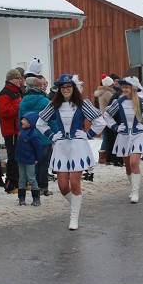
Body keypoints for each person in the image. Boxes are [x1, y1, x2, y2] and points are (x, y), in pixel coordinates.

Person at [35, 74, 106, 230]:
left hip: (78, 146)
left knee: (75, 181)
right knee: (62, 186)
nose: (66, 90)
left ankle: (74, 217)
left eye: (68, 87)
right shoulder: (54, 105)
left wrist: (88, 135)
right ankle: (76, 205)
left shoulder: (83, 104)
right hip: (61, 147)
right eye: (63, 87)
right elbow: (40, 123)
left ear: (74, 88)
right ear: (59, 89)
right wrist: (52, 136)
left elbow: (100, 122)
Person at [105, 77, 143, 203]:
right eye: (123, 87)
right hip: (123, 135)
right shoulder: (119, 102)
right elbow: (107, 115)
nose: (124, 89)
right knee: (128, 165)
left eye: (127, 87)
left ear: (133, 88)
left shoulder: (141, 101)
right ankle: (132, 187)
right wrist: (115, 127)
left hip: (138, 134)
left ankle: (135, 191)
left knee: (134, 162)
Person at [17, 76, 53, 194]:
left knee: (32, 162)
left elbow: (20, 119)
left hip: (28, 136)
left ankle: (34, 187)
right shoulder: (45, 101)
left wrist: (21, 133)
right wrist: (55, 134)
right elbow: (52, 119)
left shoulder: (23, 102)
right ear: (39, 87)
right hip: (44, 136)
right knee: (43, 163)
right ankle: (43, 187)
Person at [0, 69, 24, 194]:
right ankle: (10, 184)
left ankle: (18, 182)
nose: (20, 80)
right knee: (12, 157)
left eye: (20, 78)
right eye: (17, 78)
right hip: (10, 131)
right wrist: (19, 105)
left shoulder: (17, 92)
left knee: (18, 157)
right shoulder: (4, 93)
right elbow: (5, 112)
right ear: (11, 79)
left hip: (18, 129)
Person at [15, 112, 43, 206]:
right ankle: (21, 199)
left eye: (24, 120)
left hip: (30, 160)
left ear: (30, 123)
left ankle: (36, 198)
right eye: (22, 119)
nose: (22, 121)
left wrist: (37, 158)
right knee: (22, 179)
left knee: (31, 178)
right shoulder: (21, 131)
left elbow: (38, 148)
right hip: (20, 159)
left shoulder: (33, 135)